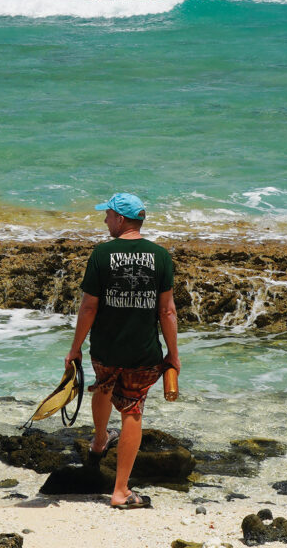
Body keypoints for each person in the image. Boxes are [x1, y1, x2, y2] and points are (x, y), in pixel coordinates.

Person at [65, 192, 180, 509]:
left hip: (105, 349)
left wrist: (75, 349)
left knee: (103, 387)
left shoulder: (102, 255)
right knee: (132, 411)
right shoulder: (160, 256)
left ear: (120, 219)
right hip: (142, 354)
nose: (105, 220)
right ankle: (121, 490)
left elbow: (89, 307)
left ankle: (100, 439)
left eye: (108, 214)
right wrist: (173, 354)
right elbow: (167, 312)